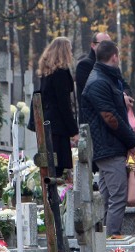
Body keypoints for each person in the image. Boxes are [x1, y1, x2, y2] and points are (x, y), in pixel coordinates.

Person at [82, 41, 135, 237]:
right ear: (114, 56)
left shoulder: (105, 79)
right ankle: (112, 238)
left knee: (107, 197)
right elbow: (110, 118)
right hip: (108, 147)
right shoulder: (99, 81)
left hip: (108, 146)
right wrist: (131, 140)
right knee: (118, 196)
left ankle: (104, 240)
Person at [36, 37, 78, 178]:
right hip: (58, 125)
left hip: (48, 122)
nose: (71, 53)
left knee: (51, 165)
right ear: (64, 51)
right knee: (57, 167)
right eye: (70, 50)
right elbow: (64, 104)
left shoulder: (47, 73)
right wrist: (74, 130)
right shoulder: (60, 73)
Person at [75, 32, 111, 123]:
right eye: (103, 44)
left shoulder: (112, 66)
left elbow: (123, 86)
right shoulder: (85, 65)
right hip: (92, 121)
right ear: (93, 45)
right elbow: (92, 93)